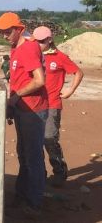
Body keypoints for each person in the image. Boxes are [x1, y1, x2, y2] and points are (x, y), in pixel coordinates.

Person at [0, 12, 47, 215]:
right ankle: (22, 195)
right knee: (23, 154)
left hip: (33, 109)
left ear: (18, 29)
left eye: (7, 31)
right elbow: (18, 80)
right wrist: (12, 105)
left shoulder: (29, 48)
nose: (4, 35)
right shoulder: (15, 49)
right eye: (2, 32)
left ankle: (34, 203)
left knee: (32, 157)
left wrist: (15, 98)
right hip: (22, 109)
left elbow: (39, 80)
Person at [33, 26, 84, 187]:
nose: (39, 44)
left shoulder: (60, 57)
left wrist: (70, 91)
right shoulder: (33, 55)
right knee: (34, 141)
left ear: (50, 40)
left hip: (52, 105)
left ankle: (60, 172)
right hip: (34, 105)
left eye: (42, 41)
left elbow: (78, 72)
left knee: (49, 139)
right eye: (36, 41)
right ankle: (39, 174)